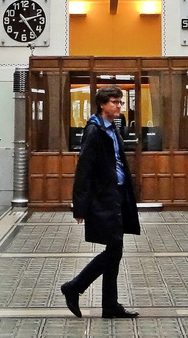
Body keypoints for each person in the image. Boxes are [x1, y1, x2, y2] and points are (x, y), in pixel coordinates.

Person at [60, 86, 140, 320]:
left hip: (117, 194)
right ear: (103, 104)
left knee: (114, 250)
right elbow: (83, 169)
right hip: (103, 197)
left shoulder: (113, 128)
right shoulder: (94, 130)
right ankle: (74, 287)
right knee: (114, 249)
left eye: (120, 102)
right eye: (115, 102)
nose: (119, 106)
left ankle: (109, 305)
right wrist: (80, 206)